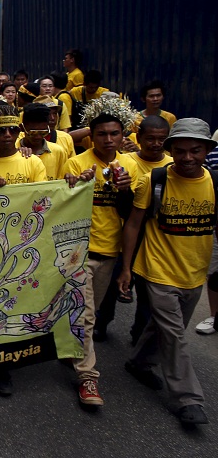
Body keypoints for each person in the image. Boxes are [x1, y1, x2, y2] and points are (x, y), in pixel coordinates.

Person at [119, 118, 216, 426]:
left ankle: (138, 362)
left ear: (207, 152)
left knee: (162, 329)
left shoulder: (215, 182)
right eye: (181, 151)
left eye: (196, 151)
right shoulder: (154, 180)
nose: (188, 158)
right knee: (175, 334)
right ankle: (188, 399)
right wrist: (126, 270)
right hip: (157, 269)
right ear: (171, 150)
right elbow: (134, 224)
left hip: (194, 273)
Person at [62, 96, 140, 406]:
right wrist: (71, 185)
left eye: (114, 134)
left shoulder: (131, 166)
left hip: (109, 253)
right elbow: (59, 206)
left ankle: (72, 349)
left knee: (84, 312)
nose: (108, 140)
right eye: (101, 134)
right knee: (87, 315)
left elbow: (133, 216)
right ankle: (88, 378)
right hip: (77, 252)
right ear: (90, 136)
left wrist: (124, 190)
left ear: (123, 136)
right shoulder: (76, 164)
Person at [95, 115, 172, 343]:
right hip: (125, 234)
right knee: (113, 282)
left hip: (157, 239)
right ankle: (101, 322)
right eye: (150, 139)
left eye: (161, 139)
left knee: (149, 292)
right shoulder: (124, 162)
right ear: (138, 138)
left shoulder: (171, 166)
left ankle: (139, 333)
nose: (155, 144)